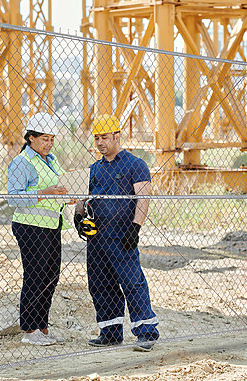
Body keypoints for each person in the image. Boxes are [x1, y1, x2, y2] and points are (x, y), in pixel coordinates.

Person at [75, 114, 159, 352]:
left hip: (123, 236)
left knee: (133, 284)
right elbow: (82, 198)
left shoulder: (135, 165)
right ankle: (110, 333)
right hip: (97, 239)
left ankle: (147, 333)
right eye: (97, 138)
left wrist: (136, 227)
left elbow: (144, 197)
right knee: (101, 285)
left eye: (104, 137)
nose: (100, 142)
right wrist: (79, 217)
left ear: (117, 136)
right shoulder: (93, 169)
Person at [8, 112, 72, 346]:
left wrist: (67, 197)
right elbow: (13, 198)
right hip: (30, 226)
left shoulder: (51, 161)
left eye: (52, 139)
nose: (49, 143)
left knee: (50, 277)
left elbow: (56, 191)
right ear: (31, 138)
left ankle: (42, 327)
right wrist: (46, 193)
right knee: (35, 276)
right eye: (45, 139)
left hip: (51, 225)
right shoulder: (21, 163)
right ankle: (29, 329)